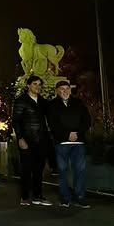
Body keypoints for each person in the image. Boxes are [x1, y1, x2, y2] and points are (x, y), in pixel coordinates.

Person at [47, 80, 91, 208]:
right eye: (62, 89)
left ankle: (80, 196)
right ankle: (65, 197)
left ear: (70, 90)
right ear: (57, 91)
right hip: (61, 142)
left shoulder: (78, 103)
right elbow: (53, 124)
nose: (65, 91)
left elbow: (87, 120)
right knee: (62, 170)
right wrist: (67, 134)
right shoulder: (52, 105)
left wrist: (77, 133)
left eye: (67, 88)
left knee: (79, 170)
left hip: (79, 141)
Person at [12, 75, 51, 206]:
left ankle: (37, 195)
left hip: (41, 139)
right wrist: (20, 138)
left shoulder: (43, 101)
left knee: (39, 169)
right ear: (28, 85)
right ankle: (24, 196)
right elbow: (16, 121)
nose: (37, 87)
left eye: (39, 84)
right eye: (35, 84)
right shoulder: (21, 101)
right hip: (27, 139)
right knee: (26, 169)